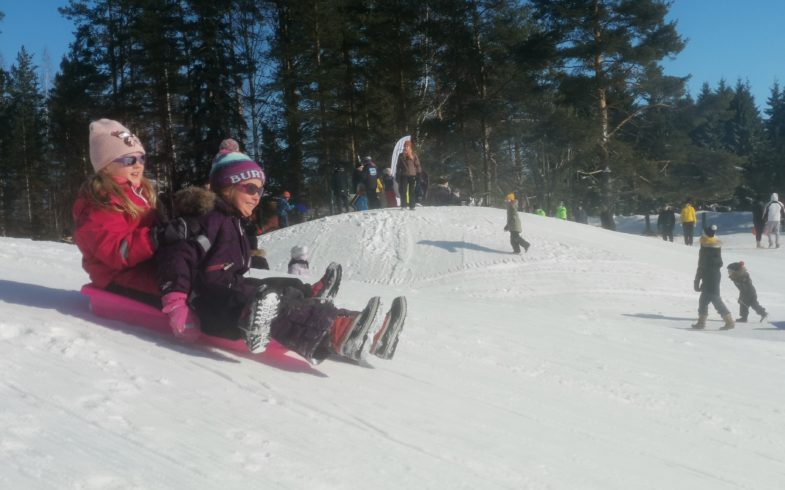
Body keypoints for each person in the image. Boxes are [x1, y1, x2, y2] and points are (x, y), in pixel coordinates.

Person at [156, 151, 406, 362]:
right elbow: (177, 258)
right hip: (207, 301)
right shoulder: (207, 219)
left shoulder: (233, 221)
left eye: (260, 189)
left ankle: (370, 330)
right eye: (250, 188)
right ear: (226, 187)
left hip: (229, 288)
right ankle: (339, 332)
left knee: (282, 286)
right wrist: (176, 303)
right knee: (270, 301)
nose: (257, 195)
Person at [72, 119, 168, 303]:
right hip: (117, 276)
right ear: (106, 166)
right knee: (181, 289)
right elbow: (115, 252)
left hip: (145, 266)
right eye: (129, 160)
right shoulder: (101, 201)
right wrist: (156, 238)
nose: (138, 165)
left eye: (141, 158)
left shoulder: (141, 192)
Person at [692, 225, 734, 330]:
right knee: (703, 299)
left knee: (715, 299)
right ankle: (701, 322)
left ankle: (729, 321)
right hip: (714, 275)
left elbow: (701, 266)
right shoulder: (714, 246)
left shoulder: (706, 249)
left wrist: (697, 280)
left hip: (710, 276)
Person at [396, 140, 422, 210]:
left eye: (407, 146)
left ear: (410, 147)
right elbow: (398, 166)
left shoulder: (413, 154)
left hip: (412, 175)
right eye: (405, 146)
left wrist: (419, 173)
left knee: (412, 191)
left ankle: (412, 206)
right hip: (403, 175)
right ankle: (404, 205)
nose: (406, 147)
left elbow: (418, 165)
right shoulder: (401, 155)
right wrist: (397, 174)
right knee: (403, 191)